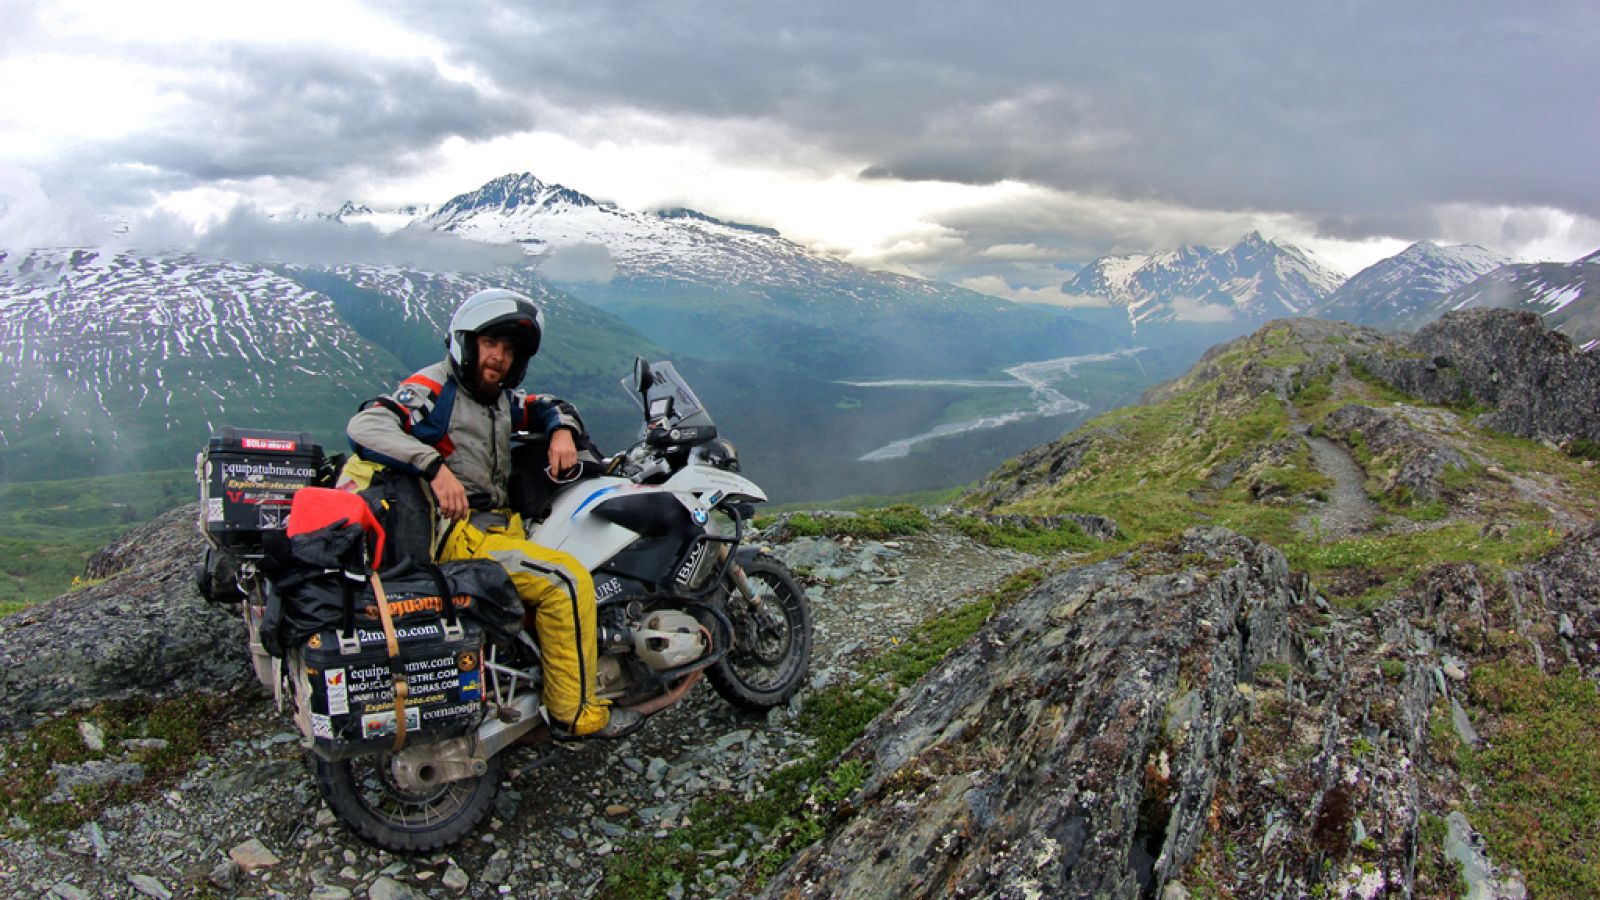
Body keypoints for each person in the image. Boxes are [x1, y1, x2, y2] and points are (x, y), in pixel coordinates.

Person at [344, 288, 639, 739]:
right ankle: (577, 716)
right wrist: (432, 467)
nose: (498, 358)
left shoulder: (497, 399)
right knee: (566, 580)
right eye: (489, 345)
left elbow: (545, 405)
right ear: (466, 343)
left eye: (508, 350)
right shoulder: (435, 389)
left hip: (496, 528)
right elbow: (366, 424)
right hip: (458, 534)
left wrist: (560, 429)